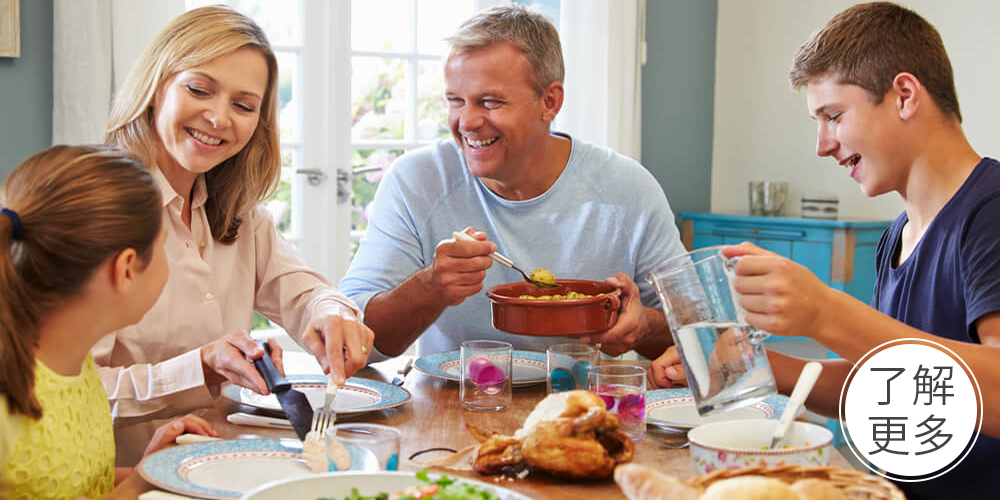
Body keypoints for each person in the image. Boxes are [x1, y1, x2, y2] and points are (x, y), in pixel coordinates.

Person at [649, 3, 999, 499]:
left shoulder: (991, 212)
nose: (822, 144)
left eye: (833, 116)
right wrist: (747, 368)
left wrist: (825, 313)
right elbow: (888, 382)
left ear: (904, 95)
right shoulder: (898, 234)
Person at [101, 5, 373, 464]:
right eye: (199, 89)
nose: (217, 117)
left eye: (244, 106)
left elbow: (305, 291)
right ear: (155, 87)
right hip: (123, 481)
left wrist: (330, 311)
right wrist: (200, 367)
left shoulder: (238, 214)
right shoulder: (99, 213)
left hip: (224, 466)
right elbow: (61, 395)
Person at [339, 4, 686, 360]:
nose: (467, 122)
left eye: (489, 102)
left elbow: (700, 332)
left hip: (585, 409)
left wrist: (644, 326)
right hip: (451, 408)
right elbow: (352, 337)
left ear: (549, 102)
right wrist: (431, 287)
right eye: (456, 101)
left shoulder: (627, 190)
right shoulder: (416, 181)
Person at [0, 145, 218, 500]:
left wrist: (149, 473)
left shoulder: (77, 366)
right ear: (126, 269)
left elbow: (73, 484)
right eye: (163, 246)